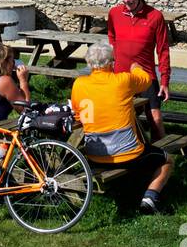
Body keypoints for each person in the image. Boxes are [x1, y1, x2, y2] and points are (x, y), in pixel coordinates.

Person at [70, 41, 174, 215]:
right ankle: (150, 197)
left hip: (94, 153)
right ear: (112, 62)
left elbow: (78, 114)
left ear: (89, 64)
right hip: (128, 154)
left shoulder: (79, 84)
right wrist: (135, 67)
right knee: (167, 160)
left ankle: (131, 189)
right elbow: (146, 80)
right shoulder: (123, 81)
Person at [107, 0, 172, 140]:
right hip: (120, 76)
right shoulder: (114, 13)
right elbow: (112, 36)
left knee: (156, 119)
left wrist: (164, 81)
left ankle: (163, 158)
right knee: (122, 119)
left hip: (146, 76)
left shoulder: (155, 16)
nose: (127, 0)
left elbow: (163, 50)